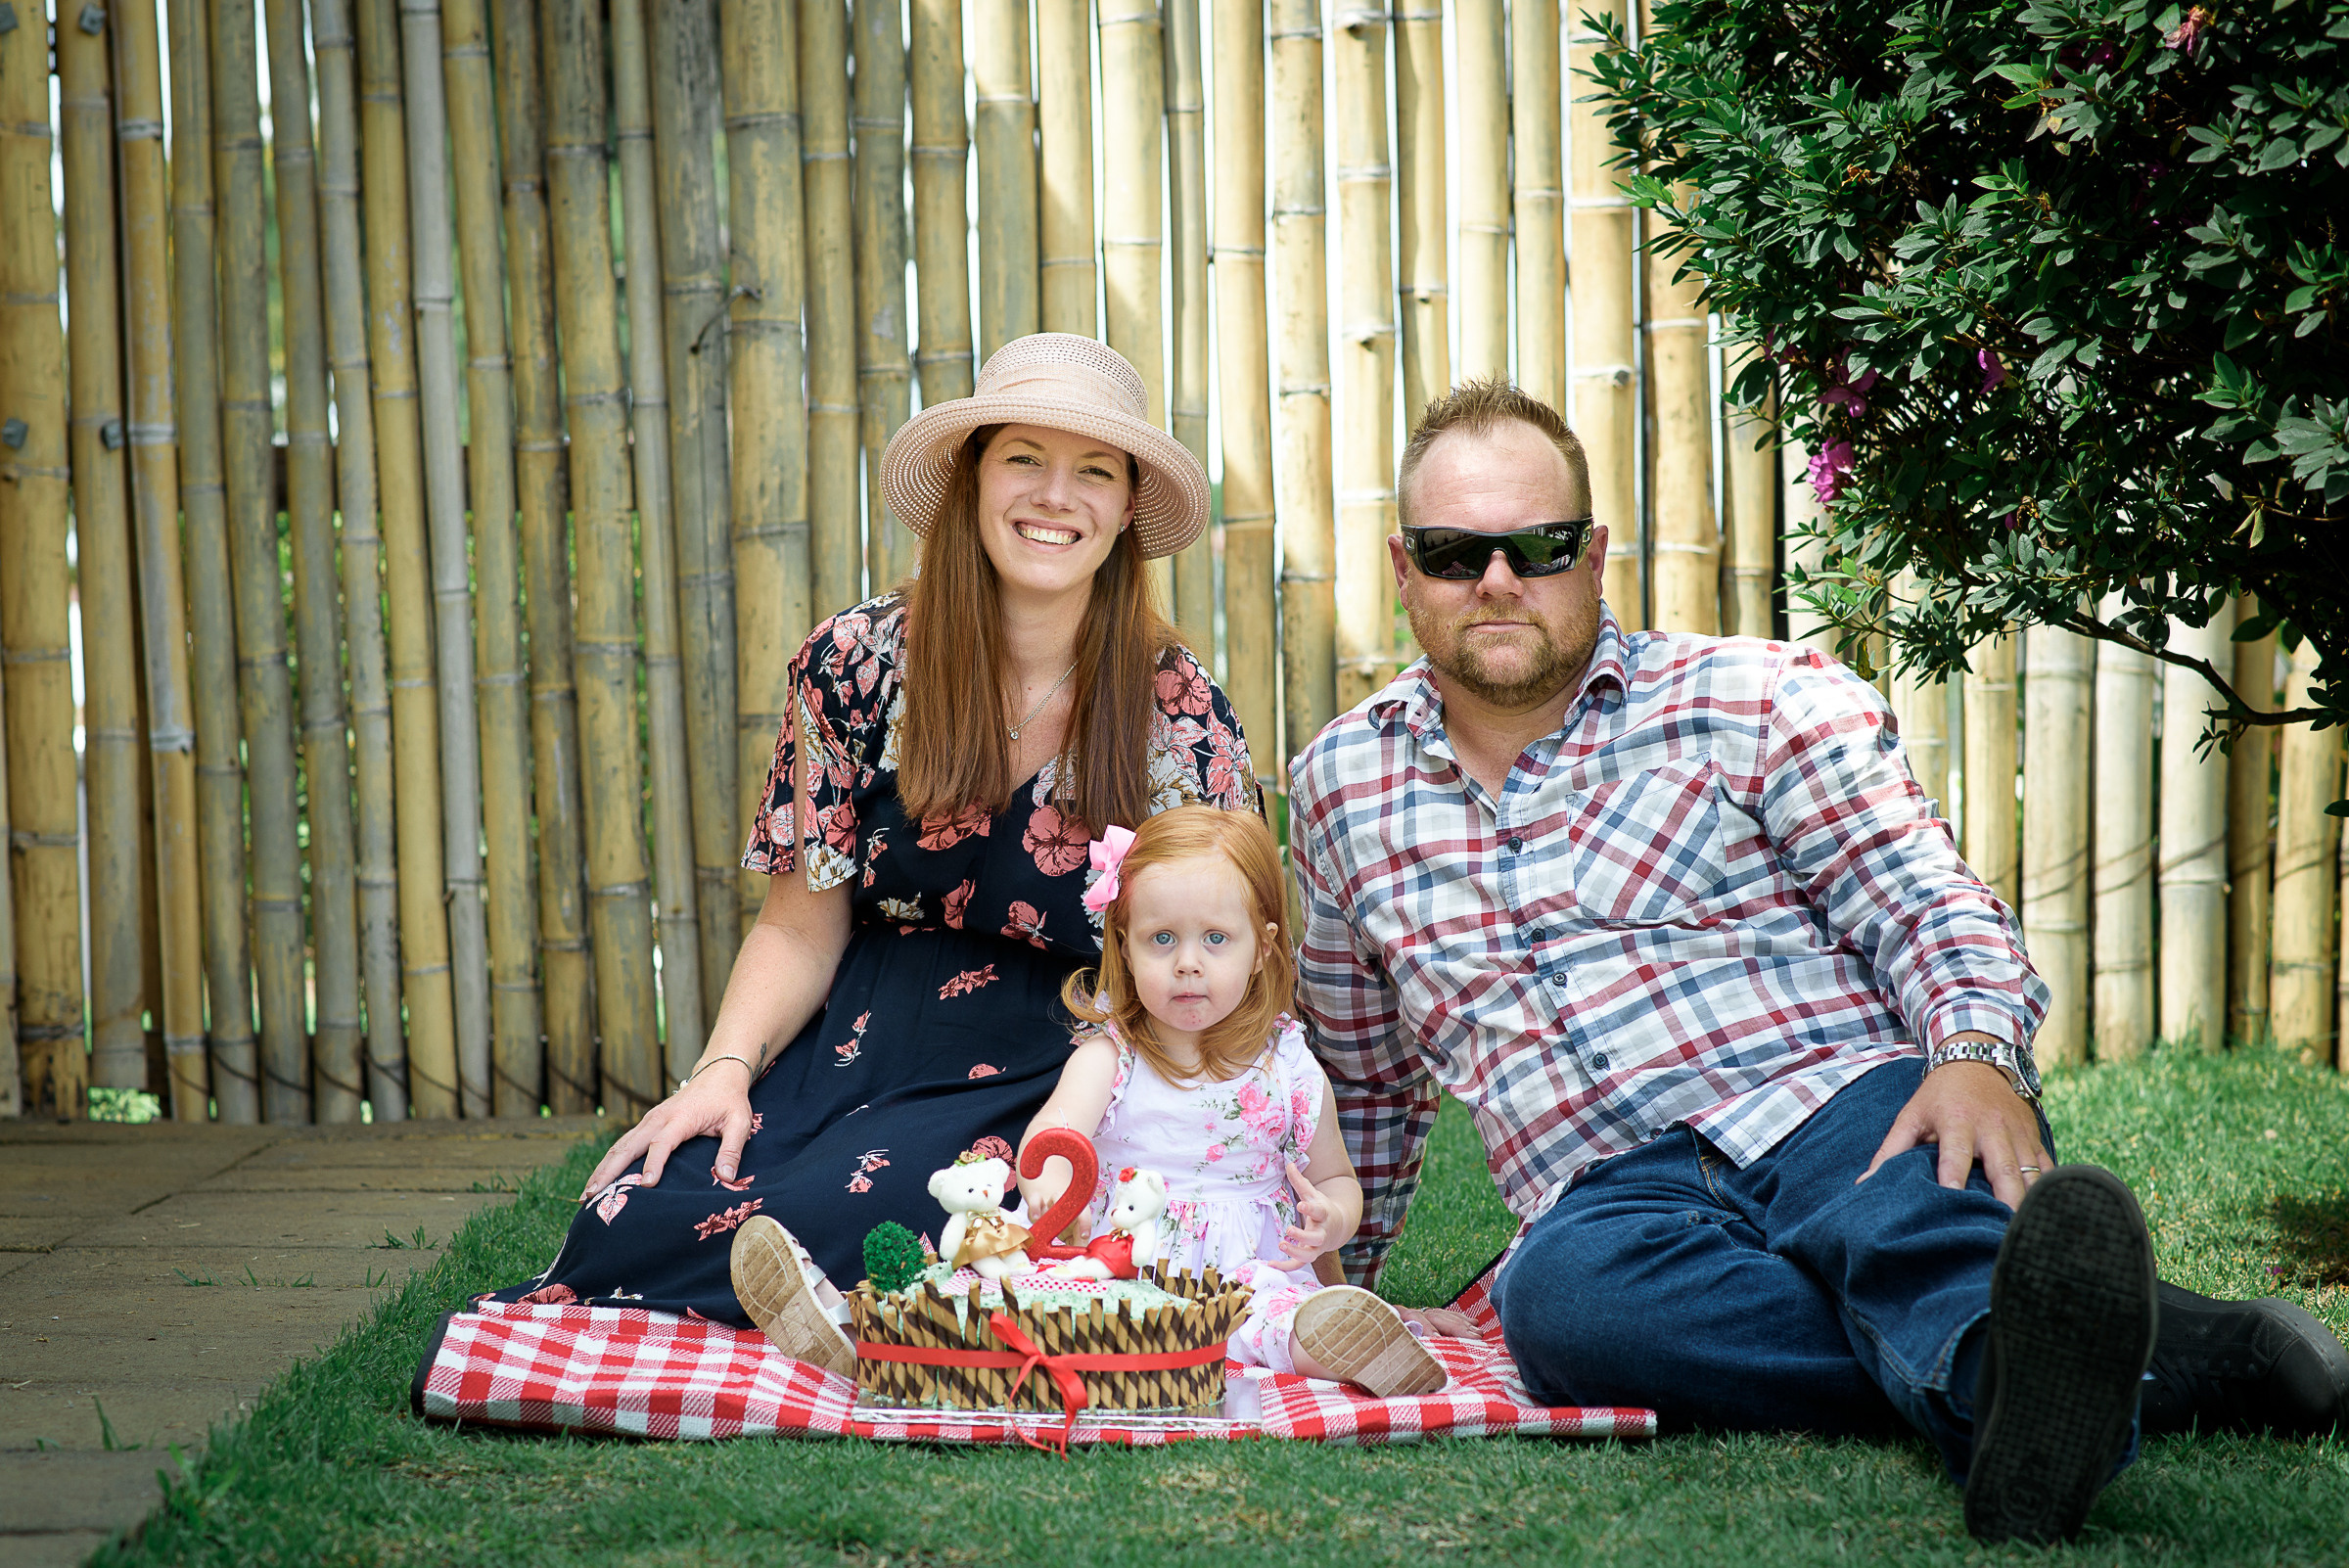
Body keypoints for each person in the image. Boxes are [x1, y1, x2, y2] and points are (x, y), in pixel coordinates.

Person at [1287, 378, 2349, 1545]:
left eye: (1535, 547)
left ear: (1593, 555)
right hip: (1602, 1193)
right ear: (1403, 569)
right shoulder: (1343, 787)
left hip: (1827, 1093)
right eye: (1453, 553)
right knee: (1564, 1320)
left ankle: (2024, 1413)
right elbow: (1362, 1076)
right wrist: (1337, 1280)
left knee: (1906, 1211)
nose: (1496, 582)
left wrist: (1977, 1054)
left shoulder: (1755, 697)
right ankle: (2137, 1351)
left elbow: (1920, 897)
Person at [484, 335, 1259, 1352]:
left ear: (1124, 511)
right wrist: (721, 1071)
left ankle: (878, 1305)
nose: (1055, 496)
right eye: (1024, 457)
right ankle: (881, 1308)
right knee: (641, 1211)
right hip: (865, 1030)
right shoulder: (855, 664)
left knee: (894, 1209)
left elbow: (1219, 939)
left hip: (1066, 1053)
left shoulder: (1175, 703)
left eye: (1095, 472)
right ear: (973, 479)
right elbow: (801, 925)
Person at [1014, 804, 1447, 1397]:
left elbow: (1337, 1181)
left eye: (1215, 939)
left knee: (1274, 1318)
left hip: (1243, 1273)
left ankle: (1349, 1346)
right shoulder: (1110, 1057)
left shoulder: (1290, 1068)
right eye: (1161, 939)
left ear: (1262, 949)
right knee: (1041, 1300)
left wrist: (1331, 1222)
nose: (1187, 962)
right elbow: (1053, 1139)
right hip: (1119, 1255)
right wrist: (1050, 1186)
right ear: (1125, 945)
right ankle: (875, 1335)